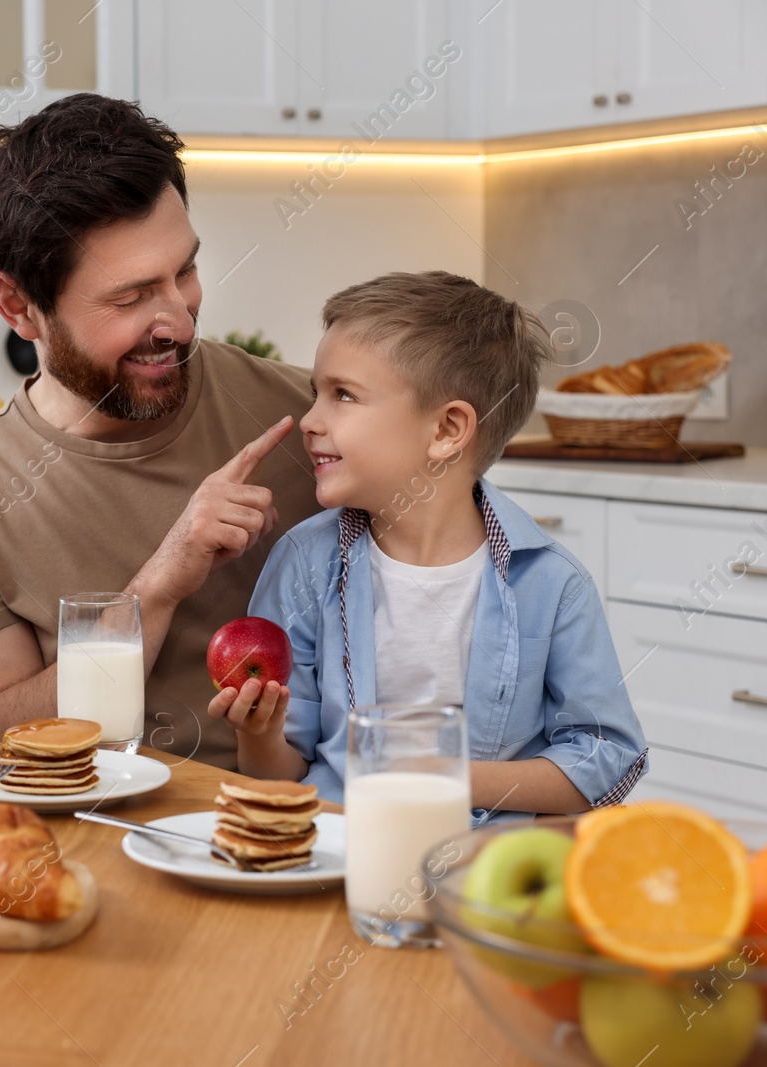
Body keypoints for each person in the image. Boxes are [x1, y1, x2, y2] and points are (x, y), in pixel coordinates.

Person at [0, 93, 320, 768]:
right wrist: (158, 583)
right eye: (130, 298)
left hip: (286, 831)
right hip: (84, 833)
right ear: (20, 307)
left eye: (184, 271)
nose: (181, 323)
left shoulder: (308, 417)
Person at [210, 270, 648, 816]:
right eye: (315, 393)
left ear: (446, 430)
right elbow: (282, 775)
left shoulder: (553, 583)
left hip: (484, 869)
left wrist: (445, 779)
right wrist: (258, 734)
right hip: (340, 848)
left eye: (343, 395)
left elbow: (606, 757)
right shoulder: (303, 564)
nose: (311, 419)